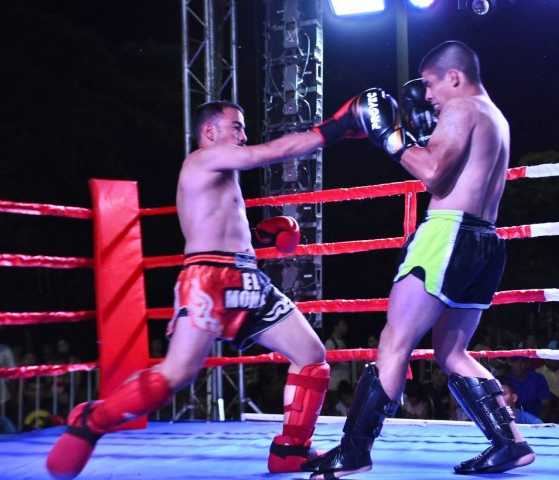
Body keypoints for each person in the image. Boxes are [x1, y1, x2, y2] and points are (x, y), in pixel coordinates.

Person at [46, 98, 366, 479]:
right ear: (210, 132)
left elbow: (221, 222)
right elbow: (273, 152)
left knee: (312, 355)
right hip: (209, 278)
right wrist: (336, 126)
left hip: (248, 279)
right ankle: (93, 420)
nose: (244, 135)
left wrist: (262, 236)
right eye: (237, 127)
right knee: (175, 375)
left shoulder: (223, 171)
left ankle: (290, 450)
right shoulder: (202, 160)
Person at [304, 41, 534, 478]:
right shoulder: (495, 117)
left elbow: (431, 172)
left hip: (448, 233)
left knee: (394, 342)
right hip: (485, 240)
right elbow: (454, 171)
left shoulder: (462, 107)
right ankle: (510, 442)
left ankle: (354, 451)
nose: (427, 95)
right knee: (451, 351)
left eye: (430, 84)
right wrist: (423, 138)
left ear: (454, 77)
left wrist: (389, 137)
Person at [505, 356, 553, 422]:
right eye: (515, 361)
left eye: (522, 362)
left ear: (527, 364)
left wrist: (536, 424)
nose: (519, 365)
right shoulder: (506, 380)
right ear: (510, 363)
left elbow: (546, 406)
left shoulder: (538, 378)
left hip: (536, 419)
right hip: (513, 420)